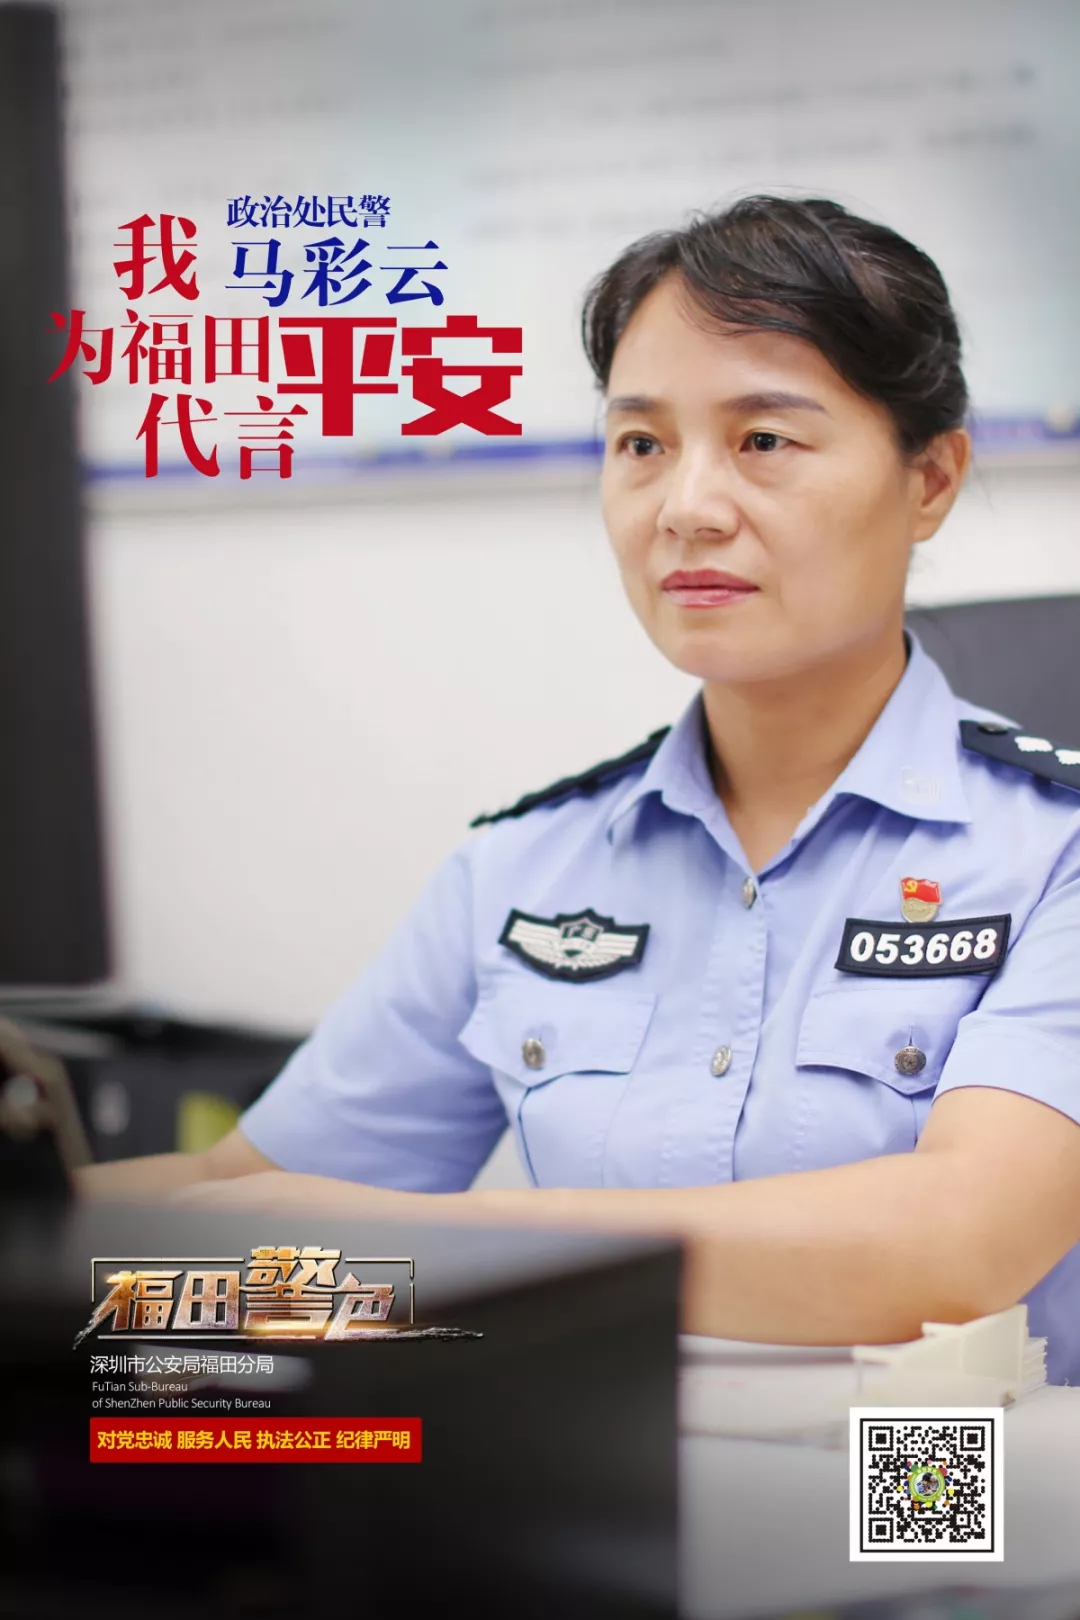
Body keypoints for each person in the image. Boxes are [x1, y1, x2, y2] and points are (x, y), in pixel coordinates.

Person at [76, 195, 1080, 1384]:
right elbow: (241, 1190)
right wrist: (47, 1205)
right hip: (605, 1479)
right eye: (641, 444)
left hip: (935, 1475)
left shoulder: (1053, 851)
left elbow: (960, 1243)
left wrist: (425, 1246)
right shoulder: (526, 866)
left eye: (765, 440)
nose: (687, 509)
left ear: (931, 478)